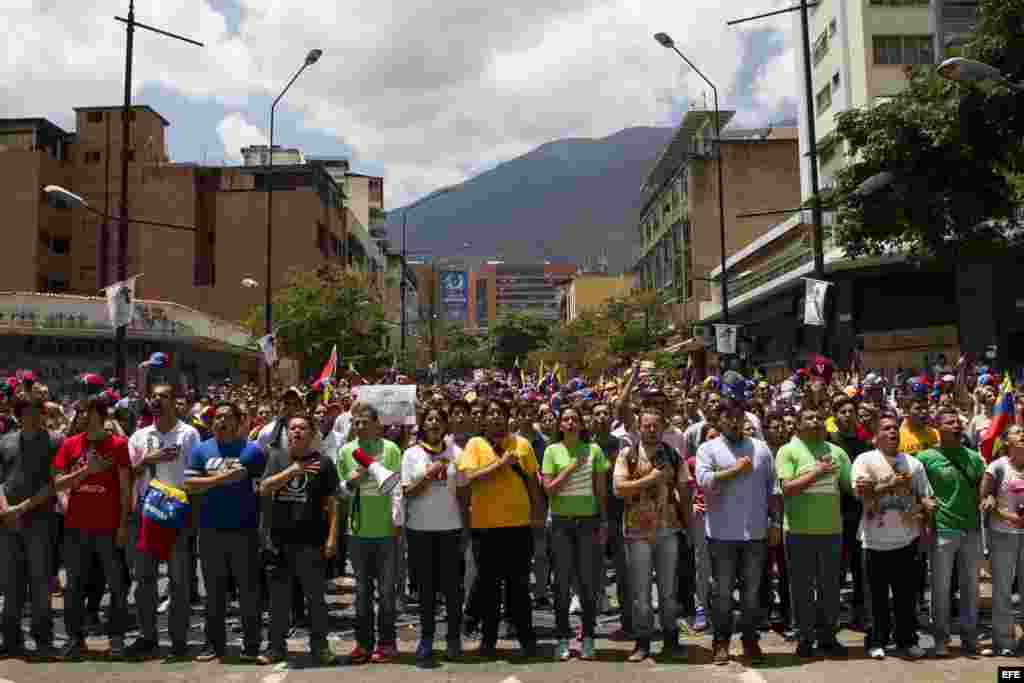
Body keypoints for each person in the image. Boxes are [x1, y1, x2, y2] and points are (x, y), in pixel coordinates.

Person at [456, 399, 542, 660]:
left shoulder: (523, 445)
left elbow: (533, 484)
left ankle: (527, 639)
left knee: (519, 586)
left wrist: (539, 516)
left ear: (507, 418)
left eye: (499, 413)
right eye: (490, 413)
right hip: (485, 527)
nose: (495, 418)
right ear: (484, 420)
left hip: (519, 526)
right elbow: (468, 478)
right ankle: (488, 639)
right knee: (489, 588)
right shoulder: (474, 445)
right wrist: (501, 464)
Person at [183, 401, 266, 663]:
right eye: (216, 418)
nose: (220, 422)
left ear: (239, 420)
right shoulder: (201, 449)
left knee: (248, 591)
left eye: (226, 417)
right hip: (210, 531)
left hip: (245, 531)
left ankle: (252, 644)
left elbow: (265, 488)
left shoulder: (253, 451)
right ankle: (213, 644)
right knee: (214, 592)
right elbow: (190, 484)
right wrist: (221, 479)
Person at [696, 397, 777, 665]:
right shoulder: (708, 449)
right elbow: (704, 480)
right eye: (727, 417)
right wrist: (734, 470)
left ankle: (750, 641)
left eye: (738, 416)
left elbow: (772, 490)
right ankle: (721, 642)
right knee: (722, 593)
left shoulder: (762, 449)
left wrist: (775, 523)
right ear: (718, 421)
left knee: (752, 593)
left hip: (755, 533)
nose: (733, 421)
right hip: (721, 534)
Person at [124, 383, 201, 661]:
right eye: (154, 397)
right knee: (144, 580)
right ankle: (147, 636)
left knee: (179, 582)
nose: (157, 401)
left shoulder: (189, 434)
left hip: (178, 515)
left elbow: (197, 473)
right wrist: (148, 459)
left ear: (174, 402)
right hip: (148, 515)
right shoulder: (139, 436)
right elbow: (131, 473)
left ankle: (178, 639)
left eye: (164, 397)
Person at [52, 395, 132, 660]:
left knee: (117, 584)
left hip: (109, 528)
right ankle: (75, 639)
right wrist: (69, 497)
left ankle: (117, 638)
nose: (80, 417)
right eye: (79, 413)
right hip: (76, 528)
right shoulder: (69, 444)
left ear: (99, 414)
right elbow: (59, 483)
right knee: (74, 585)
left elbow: (124, 488)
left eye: (85, 412)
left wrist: (122, 526)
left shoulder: (118, 445)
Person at [257, 413, 340, 666]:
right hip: (280, 542)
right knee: (279, 602)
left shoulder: (324, 463)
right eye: (292, 428)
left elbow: (334, 504)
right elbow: (264, 487)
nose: (296, 432)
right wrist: (292, 471)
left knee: (315, 600)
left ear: (312, 434)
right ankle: (276, 648)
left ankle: (321, 647)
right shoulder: (277, 458)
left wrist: (332, 538)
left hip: (312, 543)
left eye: (302, 428)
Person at [852, 411, 933, 660]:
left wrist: (928, 506)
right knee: (875, 597)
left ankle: (907, 640)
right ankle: (876, 641)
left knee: (905, 597)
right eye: (886, 429)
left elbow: (924, 494)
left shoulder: (914, 464)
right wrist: (890, 485)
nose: (892, 432)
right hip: (873, 541)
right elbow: (861, 494)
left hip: (906, 540)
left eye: (895, 428)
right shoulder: (864, 460)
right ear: (875, 437)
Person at [613, 406, 689, 662]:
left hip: (668, 531)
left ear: (663, 427)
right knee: (641, 594)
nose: (651, 429)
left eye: (656, 425)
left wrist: (686, 525)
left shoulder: (674, 455)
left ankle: (671, 639)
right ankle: (642, 642)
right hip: (637, 534)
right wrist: (653, 479)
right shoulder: (628, 454)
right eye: (646, 425)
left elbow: (684, 491)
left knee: (669, 593)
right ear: (639, 427)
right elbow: (619, 489)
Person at [776, 406, 852, 658]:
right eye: (810, 417)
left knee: (830, 587)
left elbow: (851, 487)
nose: (816, 420)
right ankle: (805, 637)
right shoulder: (788, 451)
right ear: (798, 424)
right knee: (801, 588)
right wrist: (817, 473)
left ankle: (828, 637)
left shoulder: (837, 452)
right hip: (798, 531)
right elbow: (787, 488)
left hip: (831, 531)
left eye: (819, 417)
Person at [337, 403, 404, 665]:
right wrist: (353, 480)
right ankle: (363, 644)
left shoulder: (391, 449)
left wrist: (398, 522)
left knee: (387, 591)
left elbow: (397, 489)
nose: (360, 426)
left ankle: (387, 644)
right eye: (356, 422)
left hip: (387, 531)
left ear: (378, 424)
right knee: (362, 592)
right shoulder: (345, 451)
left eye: (365, 422)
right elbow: (341, 492)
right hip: (357, 531)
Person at [541, 407, 609, 661]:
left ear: (581, 424)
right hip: (561, 524)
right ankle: (562, 638)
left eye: (574, 419)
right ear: (560, 425)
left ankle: (589, 637)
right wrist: (570, 468)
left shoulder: (594, 451)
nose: (570, 423)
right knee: (561, 584)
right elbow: (549, 490)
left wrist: (603, 522)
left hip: (589, 523)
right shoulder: (551, 451)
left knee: (588, 582)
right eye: (566, 419)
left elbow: (601, 491)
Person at [917, 407, 985, 657]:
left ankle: (969, 638)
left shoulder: (974, 458)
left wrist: (986, 501)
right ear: (938, 427)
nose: (956, 425)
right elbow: (916, 490)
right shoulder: (925, 458)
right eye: (949, 422)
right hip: (942, 530)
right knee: (940, 587)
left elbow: (982, 489)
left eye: (958, 422)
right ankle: (941, 639)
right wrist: (924, 506)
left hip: (971, 530)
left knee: (970, 587)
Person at [401, 406, 465, 668]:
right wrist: (428, 475)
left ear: (445, 425)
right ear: (423, 425)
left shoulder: (457, 453)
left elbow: (464, 492)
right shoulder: (412, 454)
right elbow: (407, 491)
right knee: (425, 589)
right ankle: (426, 638)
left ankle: (453, 639)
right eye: (429, 420)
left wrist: (467, 529)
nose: (434, 423)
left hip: (451, 528)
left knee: (452, 588)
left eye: (438, 420)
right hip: (420, 530)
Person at [0, 397, 62, 660]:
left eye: (38, 412)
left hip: (41, 519)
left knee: (40, 581)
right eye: (28, 413)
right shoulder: (5, 442)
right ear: (18, 415)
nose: (34, 417)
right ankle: (11, 640)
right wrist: (5, 510)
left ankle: (43, 638)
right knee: (11, 583)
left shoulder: (55, 440)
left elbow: (55, 482)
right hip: (7, 522)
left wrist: (22, 508)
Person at [980, 424, 1024, 656]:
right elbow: (985, 497)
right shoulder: (997, 467)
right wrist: (1003, 514)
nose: (1023, 433)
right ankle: (1003, 641)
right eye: (1017, 432)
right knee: (1003, 590)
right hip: (1002, 534)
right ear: (1007, 441)